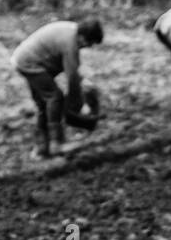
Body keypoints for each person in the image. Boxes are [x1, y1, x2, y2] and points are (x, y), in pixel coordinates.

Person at [10, 17, 104, 158]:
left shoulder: (72, 31)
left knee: (44, 104)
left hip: (24, 59)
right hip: (30, 62)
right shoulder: (70, 43)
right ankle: (57, 144)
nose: (87, 47)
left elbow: (72, 70)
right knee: (55, 97)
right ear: (83, 37)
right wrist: (76, 107)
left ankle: (41, 149)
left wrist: (81, 82)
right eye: (89, 43)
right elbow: (72, 77)